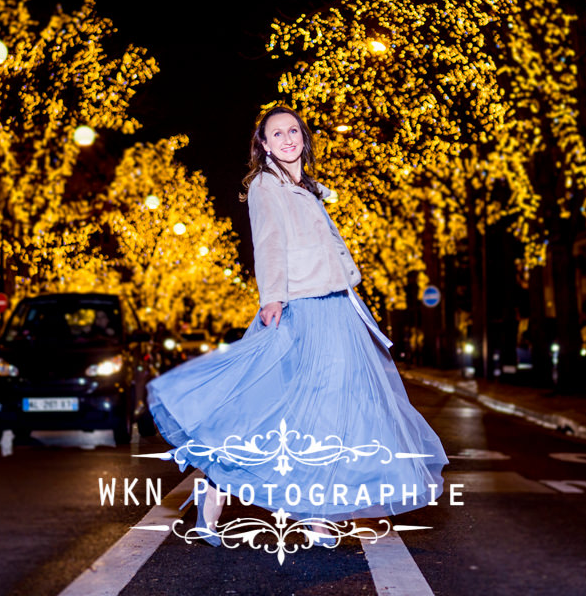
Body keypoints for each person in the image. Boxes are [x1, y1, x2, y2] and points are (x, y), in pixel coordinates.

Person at [147, 104, 447, 548]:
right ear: (264, 145)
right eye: (277, 134)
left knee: (326, 417)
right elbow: (268, 244)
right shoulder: (268, 187)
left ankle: (316, 514)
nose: (288, 139)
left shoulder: (304, 188)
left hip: (336, 310)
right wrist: (272, 297)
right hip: (301, 310)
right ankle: (216, 486)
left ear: (303, 139)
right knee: (266, 410)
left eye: (294, 131)